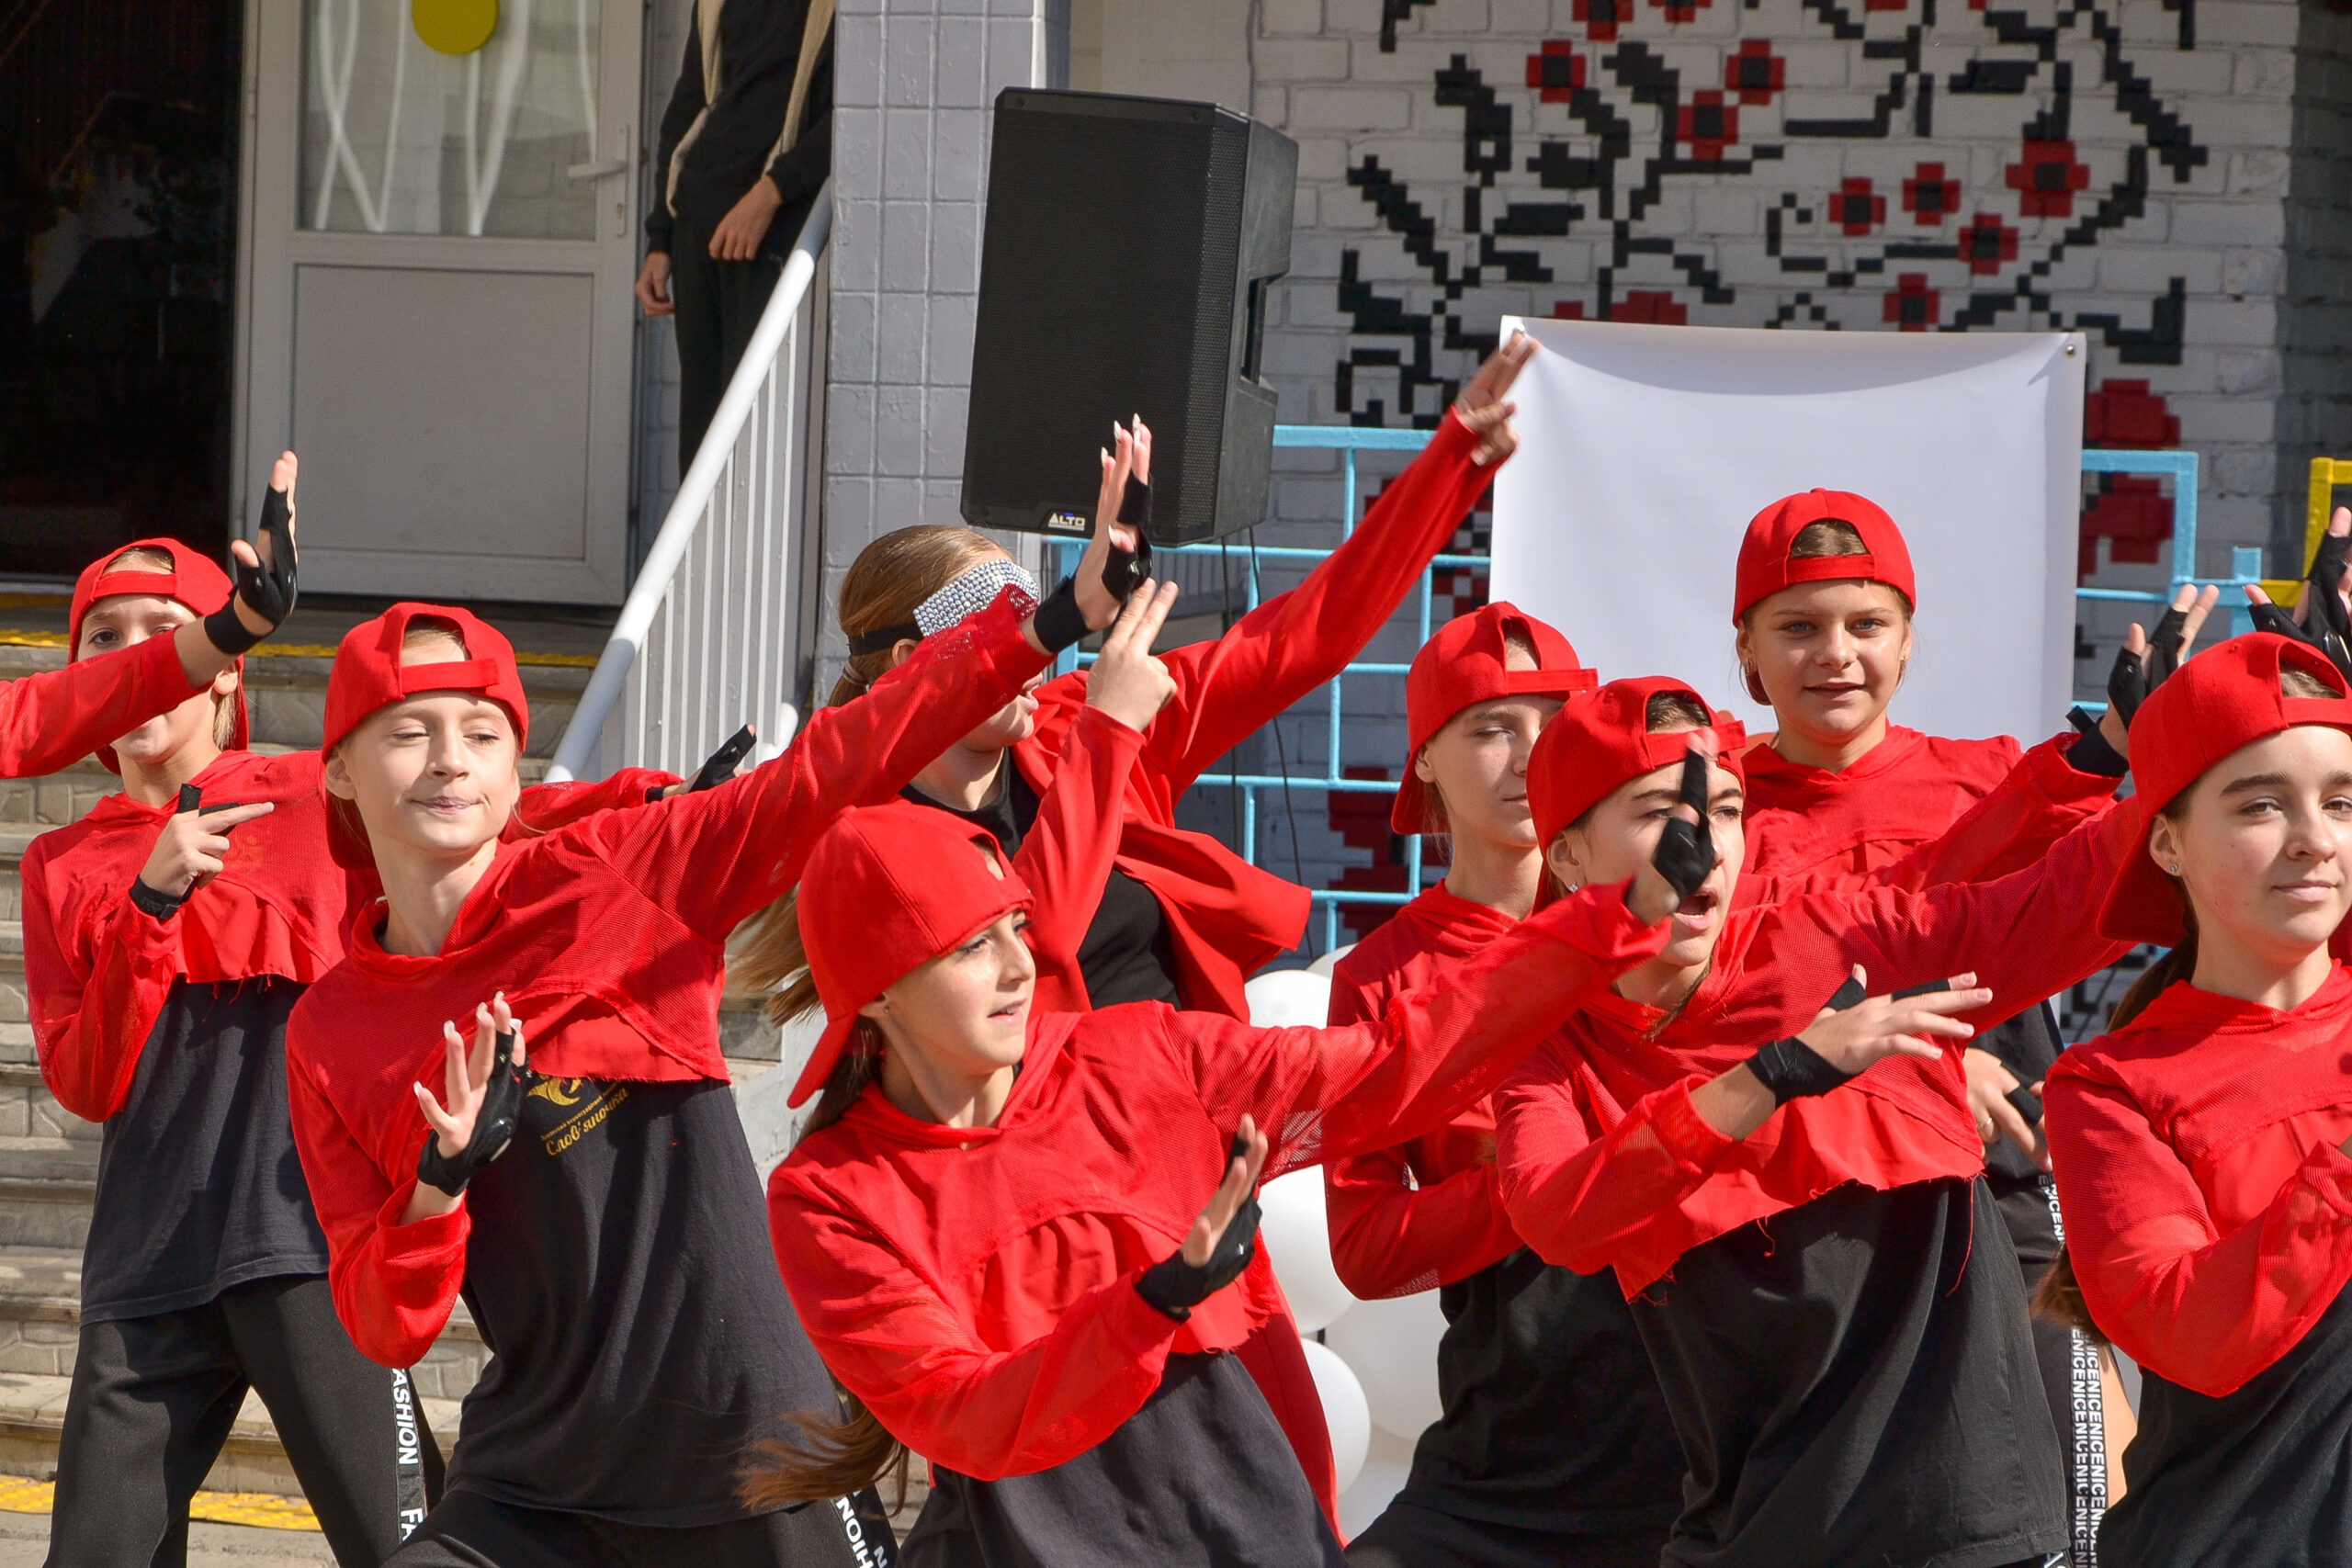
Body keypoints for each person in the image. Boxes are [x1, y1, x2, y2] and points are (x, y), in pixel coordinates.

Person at [279, 513, 1131, 1565]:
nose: (451, 761)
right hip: (539, 1480)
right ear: (337, 771)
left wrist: (1050, 620)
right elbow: (385, 1327)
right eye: (410, 732)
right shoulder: (328, 1032)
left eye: (484, 732)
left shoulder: (619, 871)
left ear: (515, 767)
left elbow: (834, 763)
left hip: (751, 1443)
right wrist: (437, 1184)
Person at [753, 706, 1718, 1565]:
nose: (1017, 966)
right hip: (1027, 1533)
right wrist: (1154, 1300)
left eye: (1014, 925)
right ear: (876, 994)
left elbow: (1391, 1062)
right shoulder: (828, 1195)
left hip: (1244, 1515)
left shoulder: (1139, 1054)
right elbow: (961, 1413)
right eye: (970, 946)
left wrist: (1612, 921)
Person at [1490, 671, 2141, 1568]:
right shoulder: (1548, 1039)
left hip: (1958, 1520)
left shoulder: (1831, 937)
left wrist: (2211, 753)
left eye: (1724, 810)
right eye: (1657, 811)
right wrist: (1774, 1074)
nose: (1701, 842)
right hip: (1752, 1525)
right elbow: (1555, 1215)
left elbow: (2057, 904)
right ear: (1566, 855)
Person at [736, 336, 1537, 1023]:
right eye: (997, 634)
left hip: (1188, 1110)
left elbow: (1303, 639)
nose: (1031, 652)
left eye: (1035, 620)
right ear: (912, 664)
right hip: (1048, 1143)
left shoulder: (1077, 716)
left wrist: (1448, 465)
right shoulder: (875, 840)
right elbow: (1033, 946)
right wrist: (1106, 734)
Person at [1726, 487, 2191, 1533]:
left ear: (1907, 638)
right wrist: (1922, 1061)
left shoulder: (1997, 779)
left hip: (1997, 1190)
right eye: (1797, 627)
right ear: (1746, 648)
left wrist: (2173, 748)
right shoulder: (1714, 811)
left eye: (1866, 624)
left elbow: (2104, 889)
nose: (1834, 654)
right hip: (1798, 1224)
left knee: (2076, 1495)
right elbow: (1736, 994)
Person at [22, 481, 442, 1568]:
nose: (132, 654)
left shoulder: (315, 794)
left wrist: (652, 801)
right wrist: (148, 908)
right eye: (103, 637)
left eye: (161, 630)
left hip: (311, 1240)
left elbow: (488, 822)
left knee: (411, 1552)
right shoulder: (59, 863)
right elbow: (86, 1084)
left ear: (223, 668)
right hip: (144, 1263)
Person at [1320, 603, 1688, 1568]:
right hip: (1509, 1446)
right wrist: (1542, 1186)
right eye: (1491, 728)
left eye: (1551, 725)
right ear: (1423, 761)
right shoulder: (1379, 977)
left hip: (1701, 1430)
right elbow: (1364, 1249)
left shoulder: (1669, 923)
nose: (1529, 757)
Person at [2039, 632, 2352, 1568]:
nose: (2314, 838)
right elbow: (2189, 1333)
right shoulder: (2110, 1087)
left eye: (2341, 801)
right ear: (2166, 842)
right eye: (2261, 803)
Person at [638, 0, 833, 464]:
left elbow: (855, 113)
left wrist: (772, 193)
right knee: (703, 432)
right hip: (697, 225)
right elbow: (688, 103)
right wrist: (661, 238)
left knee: (755, 429)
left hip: (775, 235)